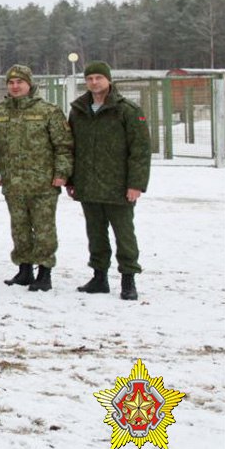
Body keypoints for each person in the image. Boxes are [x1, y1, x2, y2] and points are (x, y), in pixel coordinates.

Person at [0, 65, 73, 292]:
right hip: (13, 182)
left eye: (20, 82)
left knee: (44, 229)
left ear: (29, 84)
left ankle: (44, 272)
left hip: (43, 182)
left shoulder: (48, 111)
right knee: (19, 228)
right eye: (11, 83)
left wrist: (61, 173)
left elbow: (63, 146)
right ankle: (24, 269)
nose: (15, 86)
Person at [67, 61, 151, 300]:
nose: (94, 82)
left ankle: (128, 279)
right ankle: (99, 277)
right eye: (90, 78)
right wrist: (71, 180)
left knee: (124, 234)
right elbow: (71, 147)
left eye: (98, 78)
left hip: (118, 186)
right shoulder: (80, 110)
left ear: (108, 80)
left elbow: (140, 151)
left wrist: (136, 184)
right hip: (88, 184)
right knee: (95, 234)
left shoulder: (127, 110)